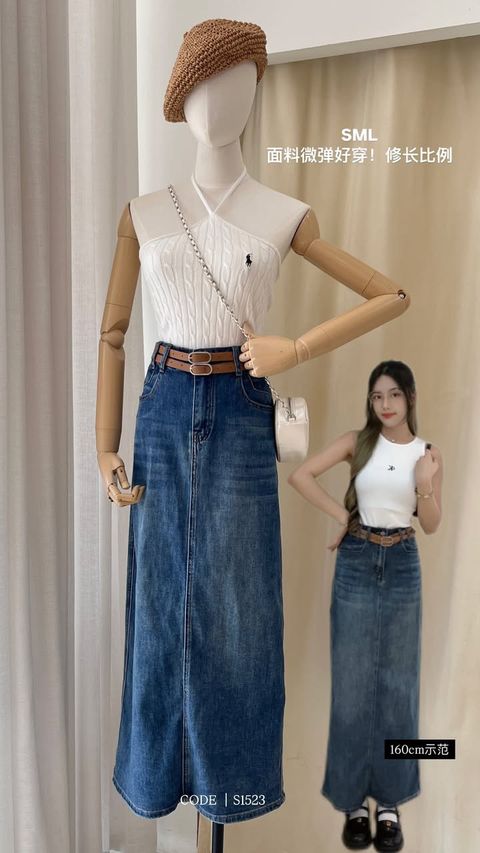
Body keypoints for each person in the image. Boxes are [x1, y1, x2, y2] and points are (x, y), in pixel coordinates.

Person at [288, 360, 442, 851]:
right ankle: (355, 804)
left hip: (403, 564)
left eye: (394, 394)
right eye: (377, 396)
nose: (385, 404)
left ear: (410, 397)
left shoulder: (426, 454)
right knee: (352, 686)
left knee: (399, 686)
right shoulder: (358, 442)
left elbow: (431, 523)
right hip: (357, 559)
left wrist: (424, 482)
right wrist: (343, 516)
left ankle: (390, 803)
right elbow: (301, 475)